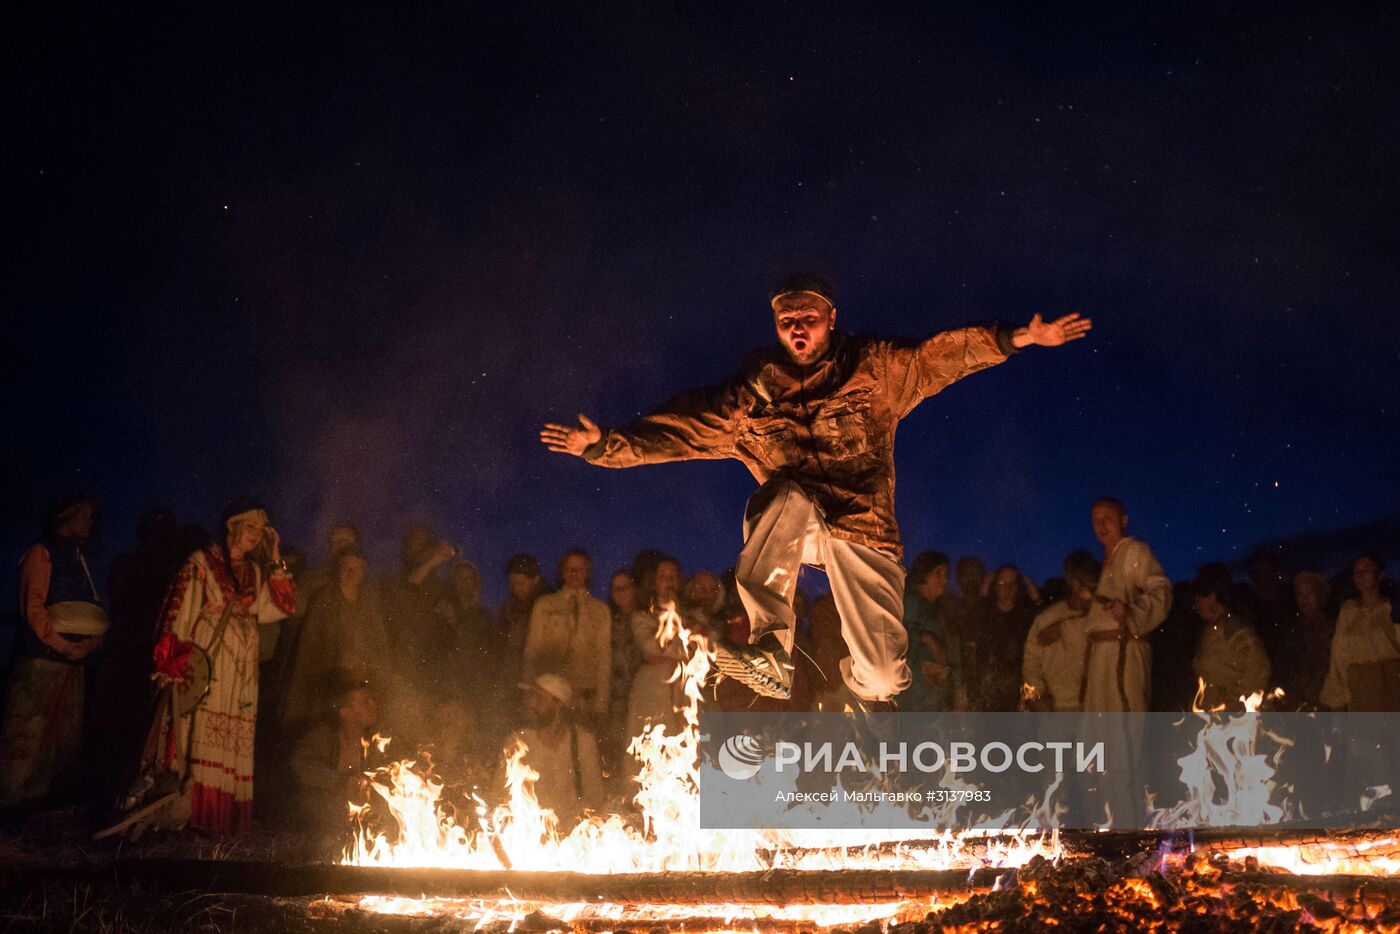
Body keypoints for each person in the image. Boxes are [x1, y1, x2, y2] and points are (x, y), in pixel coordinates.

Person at [540, 275, 1091, 710]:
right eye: (787, 321)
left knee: (878, 672)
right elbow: (680, 429)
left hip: (864, 531)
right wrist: (604, 446)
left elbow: (935, 359)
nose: (798, 329)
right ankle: (772, 650)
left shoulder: (872, 371)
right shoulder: (750, 399)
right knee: (779, 497)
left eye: (808, 319)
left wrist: (1015, 338)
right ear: (776, 326)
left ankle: (875, 697)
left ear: (831, 319)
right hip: (800, 528)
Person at [142, 500, 297, 834]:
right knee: (199, 734)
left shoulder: (256, 572)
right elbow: (178, 614)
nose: (255, 535)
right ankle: (190, 816)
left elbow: (284, 606)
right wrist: (171, 666)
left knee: (232, 740)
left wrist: (274, 557)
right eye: (250, 527)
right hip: (209, 663)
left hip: (241, 670)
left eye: (261, 530)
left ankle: (221, 821)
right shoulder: (201, 563)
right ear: (232, 526)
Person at [1, 494, 106, 808]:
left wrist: (90, 644)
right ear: (66, 516)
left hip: (72, 664)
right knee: (27, 738)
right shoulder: (41, 553)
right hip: (41, 662)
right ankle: (11, 806)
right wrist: (62, 644)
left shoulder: (79, 560)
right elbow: (33, 608)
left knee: (62, 740)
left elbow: (93, 608)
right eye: (84, 515)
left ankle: (46, 808)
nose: (90, 522)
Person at [281, 549, 391, 735]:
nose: (351, 572)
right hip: (328, 685)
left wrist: (368, 662)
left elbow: (380, 647)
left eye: (357, 568)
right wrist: (336, 659)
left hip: (364, 683)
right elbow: (309, 647)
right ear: (338, 570)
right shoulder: (324, 600)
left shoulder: (369, 605)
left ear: (364, 572)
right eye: (346, 567)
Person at [1080, 498, 1173, 713]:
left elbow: (1162, 590)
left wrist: (1132, 610)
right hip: (1099, 658)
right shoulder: (1102, 564)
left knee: (1123, 724)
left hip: (1124, 651)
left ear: (1123, 521)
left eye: (1108, 519)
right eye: (1096, 520)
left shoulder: (1135, 551)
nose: (1101, 525)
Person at [289, 680, 380, 852]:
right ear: (345, 712)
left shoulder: (377, 744)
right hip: (323, 825)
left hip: (365, 828)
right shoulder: (324, 738)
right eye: (365, 702)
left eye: (372, 700)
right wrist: (340, 781)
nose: (373, 704)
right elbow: (301, 765)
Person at [523, 549, 612, 725]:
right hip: (549, 694)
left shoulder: (600, 610)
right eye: (569, 569)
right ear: (562, 572)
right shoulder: (545, 605)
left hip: (583, 695)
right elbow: (532, 650)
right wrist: (527, 693)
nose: (574, 574)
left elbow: (604, 658)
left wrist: (601, 704)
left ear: (587, 572)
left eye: (579, 569)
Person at [503, 674, 604, 825]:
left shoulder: (582, 741)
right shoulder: (518, 743)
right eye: (531, 697)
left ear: (558, 704)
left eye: (539, 698)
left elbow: (595, 796)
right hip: (529, 831)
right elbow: (499, 795)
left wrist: (572, 826)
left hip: (573, 834)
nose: (531, 704)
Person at [1022, 551, 1098, 712]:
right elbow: (1029, 666)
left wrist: (1065, 629)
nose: (1095, 593)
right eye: (1090, 586)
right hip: (1055, 711)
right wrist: (1035, 698)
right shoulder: (1046, 619)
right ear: (1075, 584)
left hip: (1093, 707)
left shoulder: (1099, 618)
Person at [1319, 555, 1397, 711]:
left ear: (1380, 575)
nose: (1360, 575)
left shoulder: (1391, 608)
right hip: (1359, 689)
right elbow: (1338, 655)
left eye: (1366, 570)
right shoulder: (1348, 611)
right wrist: (1337, 699)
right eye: (1356, 571)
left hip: (1391, 686)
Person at [1190, 563, 1271, 711]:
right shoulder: (1208, 630)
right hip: (1213, 710)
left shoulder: (1234, 628)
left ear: (1212, 597)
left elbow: (1259, 668)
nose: (1195, 605)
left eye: (1198, 598)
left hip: (1234, 715)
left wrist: (1234, 700)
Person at [627, 557, 690, 740]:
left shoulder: (692, 617)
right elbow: (651, 646)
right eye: (663, 577)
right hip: (653, 690)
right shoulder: (642, 617)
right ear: (654, 582)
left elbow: (697, 650)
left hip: (684, 690)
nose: (668, 582)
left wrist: (669, 652)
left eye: (673, 577)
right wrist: (677, 651)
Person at [972, 564, 1040, 710]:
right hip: (990, 690)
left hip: (1020, 686)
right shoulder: (985, 614)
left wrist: (1035, 595)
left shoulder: (1026, 615)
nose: (1007, 588)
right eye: (1002, 583)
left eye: (1012, 584)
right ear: (994, 586)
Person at [900, 552, 956, 712]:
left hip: (930, 691)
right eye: (938, 573)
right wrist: (927, 640)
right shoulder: (910, 602)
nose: (944, 580)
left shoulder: (937, 610)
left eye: (946, 574)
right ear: (924, 574)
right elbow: (903, 640)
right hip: (912, 688)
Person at [1273, 571, 1333, 709]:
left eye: (1310, 594)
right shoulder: (1291, 630)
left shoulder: (1332, 629)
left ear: (1320, 596)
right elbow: (1282, 667)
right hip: (1295, 704)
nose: (1304, 599)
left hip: (1323, 704)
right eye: (1300, 594)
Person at [603, 570, 642, 774]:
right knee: (616, 747)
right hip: (615, 698)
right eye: (614, 589)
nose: (619, 593)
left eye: (624, 588)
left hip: (639, 694)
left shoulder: (647, 618)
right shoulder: (608, 620)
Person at [497, 554, 544, 693]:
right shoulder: (508, 608)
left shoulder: (547, 607)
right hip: (510, 681)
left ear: (535, 580)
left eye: (521, 583)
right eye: (512, 584)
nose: (516, 588)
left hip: (536, 682)